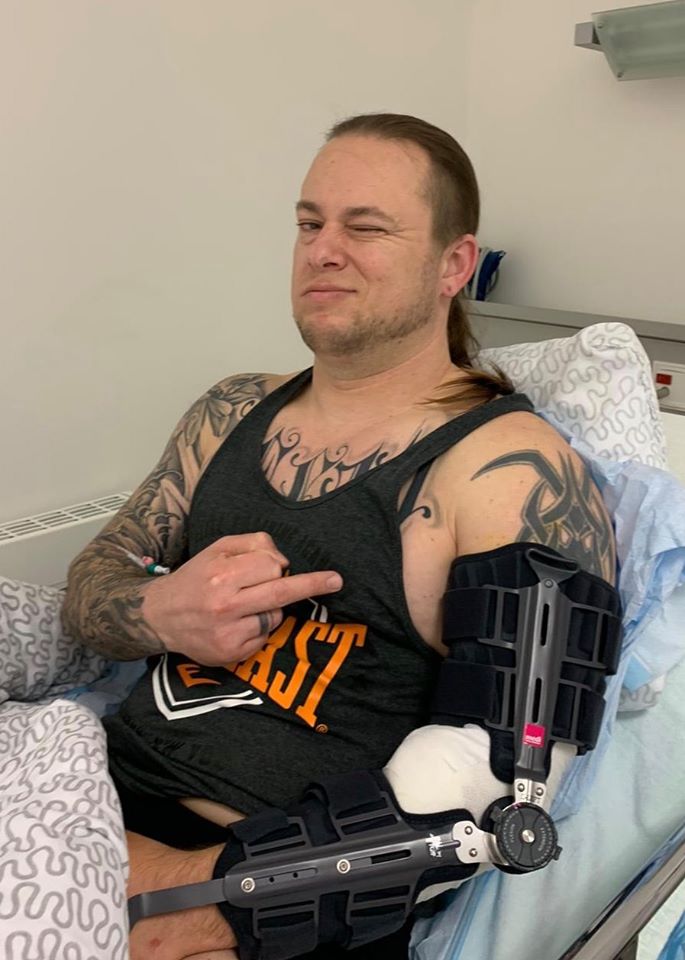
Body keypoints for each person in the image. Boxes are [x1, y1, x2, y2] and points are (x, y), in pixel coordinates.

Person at [61, 113, 616, 960]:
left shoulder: (508, 471)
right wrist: (158, 610)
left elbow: (502, 782)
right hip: (76, 798)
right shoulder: (229, 411)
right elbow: (91, 586)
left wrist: (191, 894)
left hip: (262, 888)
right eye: (308, 223)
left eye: (365, 228)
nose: (322, 251)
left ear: (454, 264)